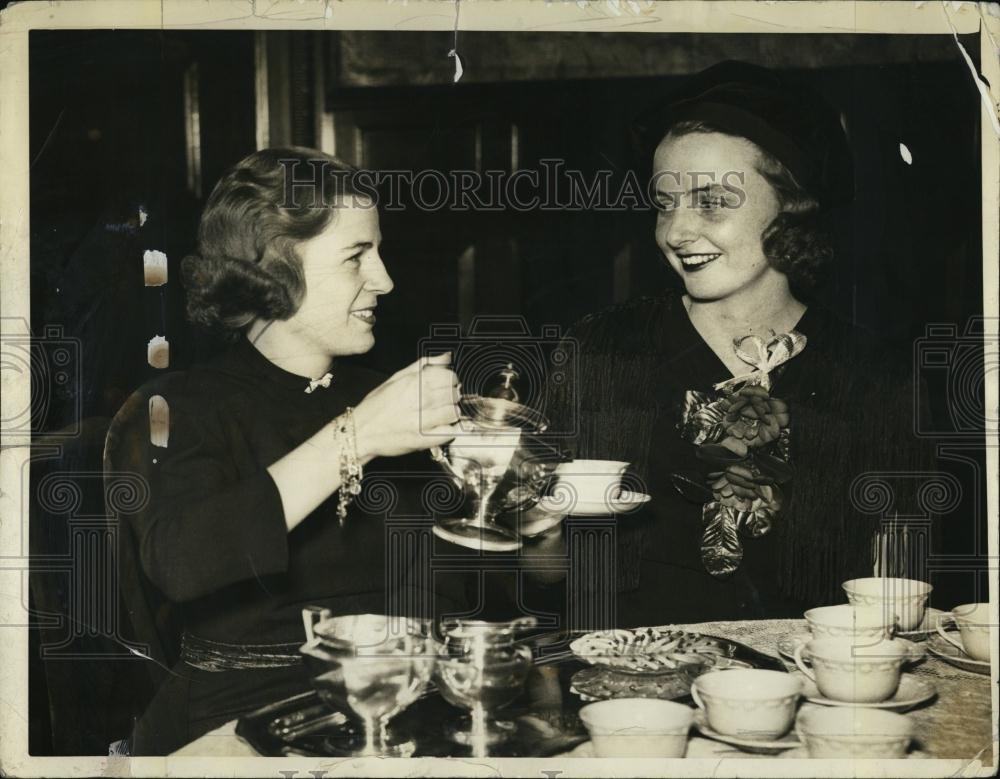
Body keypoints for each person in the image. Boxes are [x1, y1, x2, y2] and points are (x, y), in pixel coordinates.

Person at [541, 62, 936, 627]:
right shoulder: (600, 349)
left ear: (790, 204)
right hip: (630, 691)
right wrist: (530, 521)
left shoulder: (876, 374)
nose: (676, 232)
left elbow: (901, 588)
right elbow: (546, 575)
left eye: (712, 202)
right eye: (664, 203)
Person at [107, 148, 464, 754]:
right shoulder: (178, 405)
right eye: (357, 257)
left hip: (389, 699)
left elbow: (437, 575)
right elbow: (181, 562)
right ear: (273, 270)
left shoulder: (377, 395)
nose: (385, 280)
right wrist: (359, 436)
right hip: (236, 712)